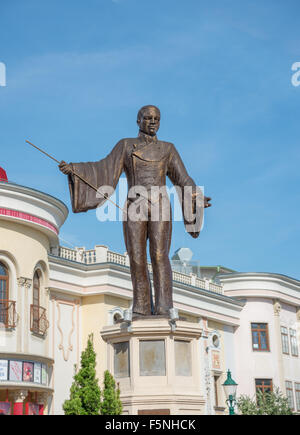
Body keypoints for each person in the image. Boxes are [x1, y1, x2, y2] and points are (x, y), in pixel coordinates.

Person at [59, 105, 211, 317]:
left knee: (159, 255)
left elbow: (182, 178)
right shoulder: (125, 146)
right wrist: (75, 170)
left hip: (160, 205)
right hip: (135, 204)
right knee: (136, 256)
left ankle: (164, 306)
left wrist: (195, 195)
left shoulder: (168, 149)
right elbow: (104, 167)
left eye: (157, 118)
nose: (152, 122)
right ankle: (140, 306)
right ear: (138, 121)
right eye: (148, 118)